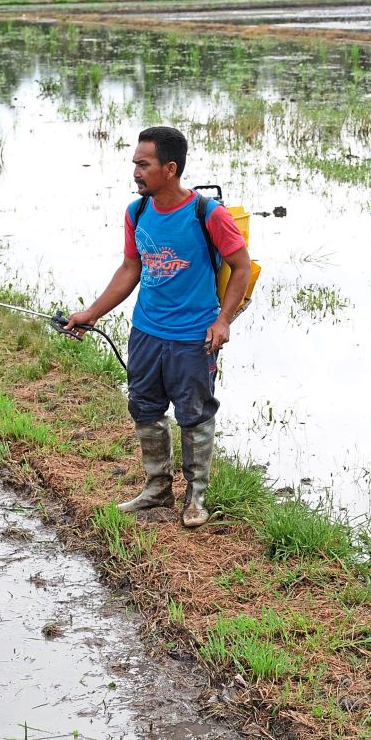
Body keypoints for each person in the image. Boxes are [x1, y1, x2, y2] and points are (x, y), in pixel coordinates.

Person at [64, 126, 252, 528]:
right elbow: (131, 268)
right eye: (134, 163)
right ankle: (156, 488)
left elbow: (241, 267)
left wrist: (223, 321)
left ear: (169, 168)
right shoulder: (137, 213)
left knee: (194, 414)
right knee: (145, 408)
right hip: (147, 331)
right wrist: (91, 313)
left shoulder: (208, 214)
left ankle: (195, 497)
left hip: (192, 337)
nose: (135, 171)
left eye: (143, 164)